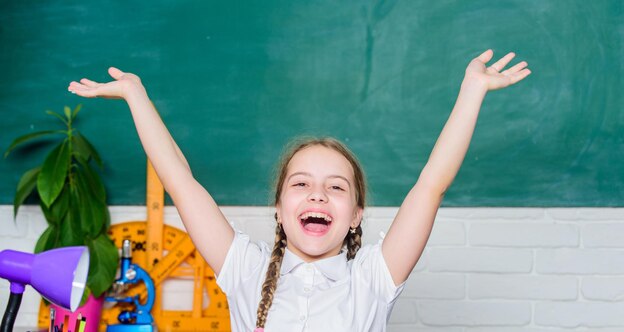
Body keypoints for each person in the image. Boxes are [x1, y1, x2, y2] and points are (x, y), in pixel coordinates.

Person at [68, 49, 530, 331]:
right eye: (302, 184)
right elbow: (180, 182)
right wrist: (136, 96)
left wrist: (472, 90)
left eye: (335, 187)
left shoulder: (373, 277)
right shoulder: (244, 269)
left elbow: (431, 184)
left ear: (356, 215)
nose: (317, 195)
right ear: (279, 208)